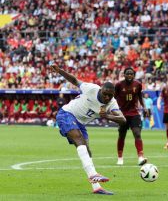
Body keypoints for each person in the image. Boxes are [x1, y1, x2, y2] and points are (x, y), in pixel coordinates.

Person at [50, 63, 126, 195]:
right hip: (67, 114)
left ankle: (96, 187)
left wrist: (107, 115)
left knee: (87, 151)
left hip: (80, 123)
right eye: (105, 94)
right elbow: (74, 80)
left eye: (110, 95)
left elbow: (123, 120)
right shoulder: (91, 88)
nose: (107, 97)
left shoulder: (112, 103)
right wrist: (60, 71)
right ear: (101, 90)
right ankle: (93, 174)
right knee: (79, 139)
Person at [115, 67, 148, 166]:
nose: (129, 75)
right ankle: (120, 158)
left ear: (134, 75)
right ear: (124, 74)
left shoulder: (138, 84)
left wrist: (144, 107)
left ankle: (140, 157)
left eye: (131, 74)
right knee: (122, 135)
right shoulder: (119, 85)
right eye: (127, 73)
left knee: (137, 134)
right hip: (122, 114)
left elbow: (140, 96)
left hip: (134, 113)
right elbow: (114, 97)